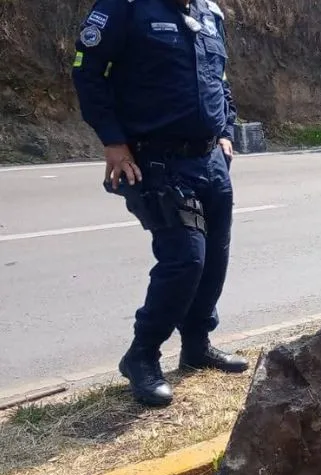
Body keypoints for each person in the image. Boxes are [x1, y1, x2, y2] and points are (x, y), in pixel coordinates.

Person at [72, 0, 247, 408]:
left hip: (210, 159)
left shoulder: (210, 13)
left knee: (215, 257)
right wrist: (113, 141)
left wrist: (225, 130)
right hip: (156, 160)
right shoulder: (125, 9)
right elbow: (87, 71)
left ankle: (197, 344)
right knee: (186, 259)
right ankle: (142, 355)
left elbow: (218, 79)